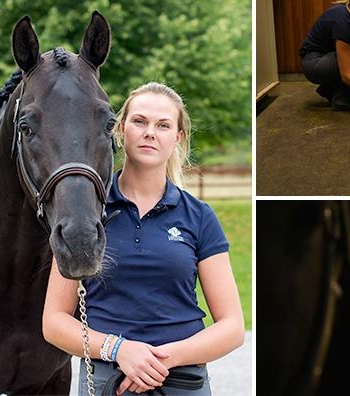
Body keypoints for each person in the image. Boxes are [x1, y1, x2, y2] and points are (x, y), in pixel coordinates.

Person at [43, 82, 245, 395]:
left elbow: (232, 327)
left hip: (181, 379)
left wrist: (159, 360)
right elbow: (54, 321)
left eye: (163, 125)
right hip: (107, 380)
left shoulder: (199, 217)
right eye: (140, 121)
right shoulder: (87, 214)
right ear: (121, 130)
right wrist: (119, 350)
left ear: (177, 138)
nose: (150, 132)